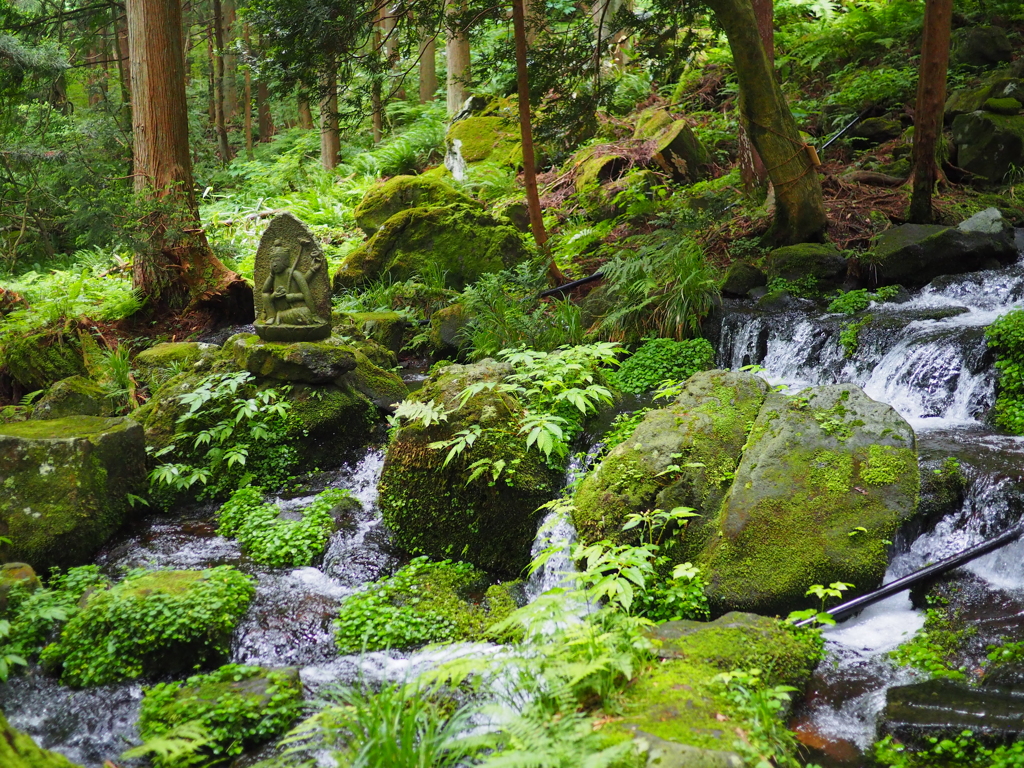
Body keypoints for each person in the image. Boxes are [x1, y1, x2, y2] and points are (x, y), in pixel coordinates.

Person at [260, 238, 324, 326]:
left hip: (292, 308)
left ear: (285, 261)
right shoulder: (273, 276)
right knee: (265, 295)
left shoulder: (294, 273)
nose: (274, 264)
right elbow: (265, 291)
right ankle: (272, 316)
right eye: (272, 262)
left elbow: (306, 293)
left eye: (277, 260)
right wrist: (274, 295)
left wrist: (314, 314)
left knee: (305, 313)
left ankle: (280, 317)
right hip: (278, 308)